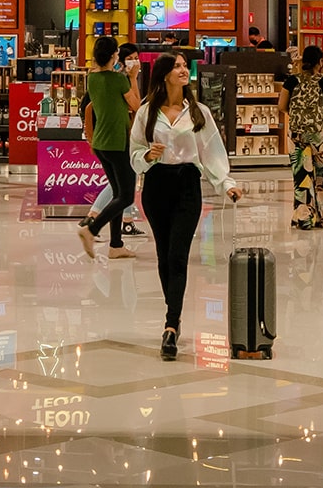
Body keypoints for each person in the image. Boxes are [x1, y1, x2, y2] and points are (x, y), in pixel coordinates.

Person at [131, 55, 242, 361]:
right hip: (156, 187)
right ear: (164, 74)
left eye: (184, 66)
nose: (184, 70)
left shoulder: (198, 112)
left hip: (187, 186)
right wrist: (148, 156)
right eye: (177, 66)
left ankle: (170, 325)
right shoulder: (147, 112)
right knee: (164, 256)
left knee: (178, 255)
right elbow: (135, 152)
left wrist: (226, 183)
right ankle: (174, 315)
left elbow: (212, 152)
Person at [77, 37, 141, 260]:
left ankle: (116, 245)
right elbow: (136, 106)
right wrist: (133, 78)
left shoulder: (91, 79)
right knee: (126, 197)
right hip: (119, 142)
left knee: (117, 193)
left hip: (101, 144)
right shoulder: (119, 80)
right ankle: (92, 229)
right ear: (115, 55)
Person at [278, 45, 323, 229]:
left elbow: (282, 106)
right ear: (320, 62)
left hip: (297, 136)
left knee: (301, 179)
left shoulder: (292, 81)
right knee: (322, 177)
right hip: (321, 138)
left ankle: (304, 218)